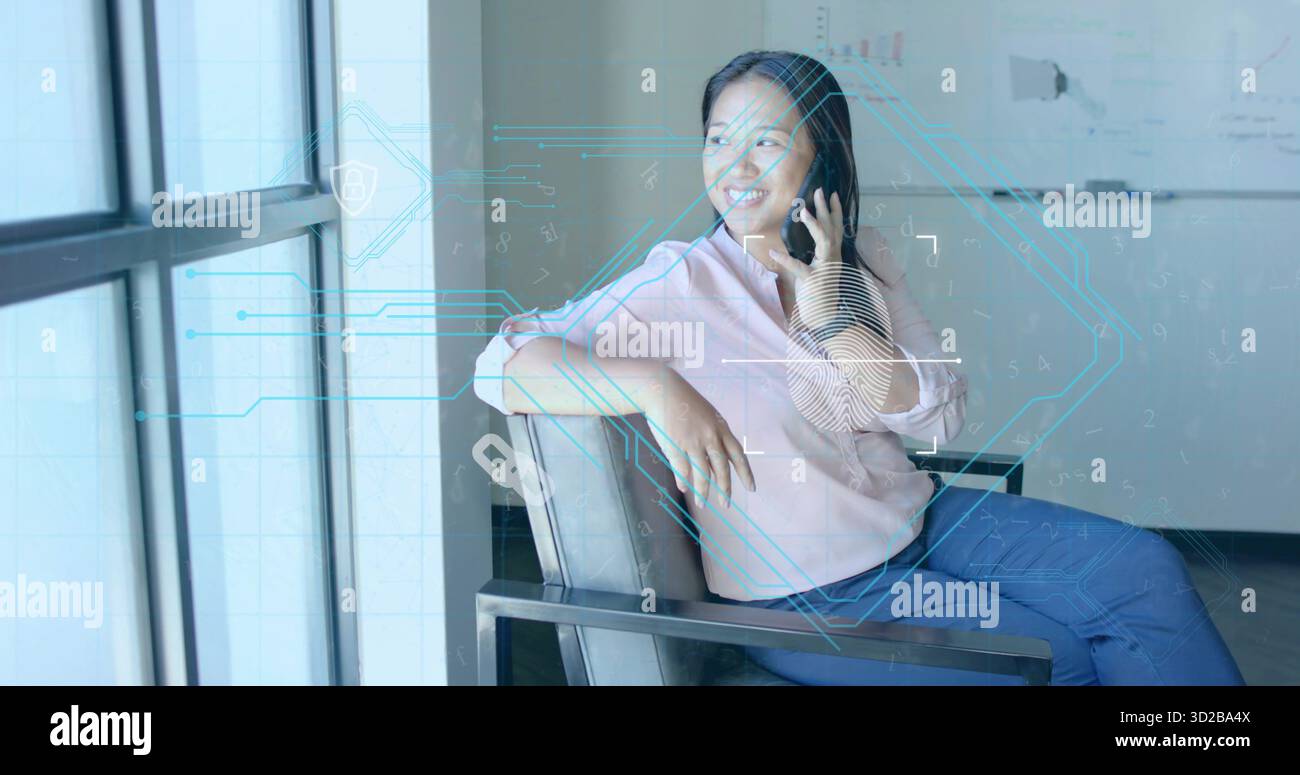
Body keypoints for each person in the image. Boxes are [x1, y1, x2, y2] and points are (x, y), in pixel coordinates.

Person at [472, 50, 1244, 685]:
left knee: (1142, 570)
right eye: (716, 139)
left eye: (766, 142)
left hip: (926, 520)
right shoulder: (676, 284)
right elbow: (499, 360)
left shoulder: (864, 260)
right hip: (813, 596)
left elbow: (940, 416)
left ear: (822, 152)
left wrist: (835, 313)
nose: (734, 165)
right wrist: (653, 384)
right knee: (1059, 657)